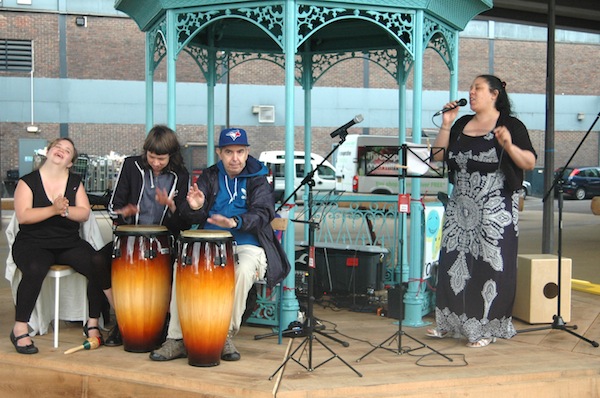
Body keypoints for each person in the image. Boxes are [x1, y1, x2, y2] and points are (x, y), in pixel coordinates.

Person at [149, 127, 290, 363]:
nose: (235, 158)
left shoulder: (258, 177)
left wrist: (236, 221)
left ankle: (222, 334)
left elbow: (264, 212)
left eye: (240, 151)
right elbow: (189, 215)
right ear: (219, 153)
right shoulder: (209, 176)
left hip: (248, 244)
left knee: (242, 270)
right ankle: (176, 338)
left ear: (247, 152)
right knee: (181, 266)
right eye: (229, 152)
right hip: (210, 243)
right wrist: (195, 207)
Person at [428, 75, 537, 348]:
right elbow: (438, 155)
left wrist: (509, 145)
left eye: (478, 88)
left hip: (495, 209)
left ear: (494, 94)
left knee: (490, 267)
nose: (471, 93)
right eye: (471, 89)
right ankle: (450, 323)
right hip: (459, 207)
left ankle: (487, 326)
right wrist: (446, 124)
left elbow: (530, 162)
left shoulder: (510, 125)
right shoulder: (462, 123)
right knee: (453, 262)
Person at [94, 124, 191, 346]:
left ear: (171, 156)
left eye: (161, 159)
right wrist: (123, 212)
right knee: (98, 260)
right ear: (145, 152)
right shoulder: (131, 165)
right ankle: (123, 317)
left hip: (163, 242)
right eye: (152, 157)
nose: (156, 163)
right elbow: (112, 205)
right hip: (130, 240)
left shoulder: (180, 176)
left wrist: (172, 206)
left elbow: (185, 220)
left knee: (169, 275)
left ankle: (163, 320)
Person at [10, 138, 105, 354]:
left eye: (67, 150)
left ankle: (92, 321)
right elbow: (23, 216)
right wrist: (53, 209)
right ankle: (19, 327)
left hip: (67, 243)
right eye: (58, 147)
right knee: (35, 268)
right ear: (49, 151)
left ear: (70, 162)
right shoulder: (27, 181)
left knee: (96, 262)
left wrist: (64, 210)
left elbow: (84, 212)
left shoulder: (74, 182)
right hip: (32, 243)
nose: (61, 150)